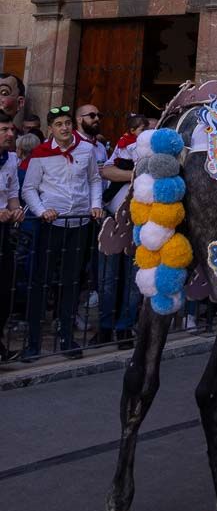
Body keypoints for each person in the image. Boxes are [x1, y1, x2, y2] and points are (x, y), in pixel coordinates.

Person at [21, 106, 104, 361]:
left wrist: (95, 204)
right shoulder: (40, 154)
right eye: (59, 124)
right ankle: (33, 341)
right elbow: (29, 188)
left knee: (71, 281)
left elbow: (93, 180)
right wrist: (41, 210)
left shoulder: (86, 150)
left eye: (67, 123)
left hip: (78, 224)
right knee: (41, 281)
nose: (65, 128)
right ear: (51, 129)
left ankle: (67, 337)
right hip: (51, 225)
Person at [93, 114, 149, 348]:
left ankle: (125, 326)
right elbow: (106, 172)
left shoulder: (155, 152)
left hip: (140, 222)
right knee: (107, 277)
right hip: (113, 219)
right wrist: (136, 175)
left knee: (133, 279)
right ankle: (105, 326)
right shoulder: (123, 145)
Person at [0, 112, 21, 363]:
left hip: (4, 232)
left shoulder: (11, 159)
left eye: (11, 130)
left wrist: (15, 210)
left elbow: (12, 191)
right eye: (4, 129)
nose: (10, 134)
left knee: (4, 291)